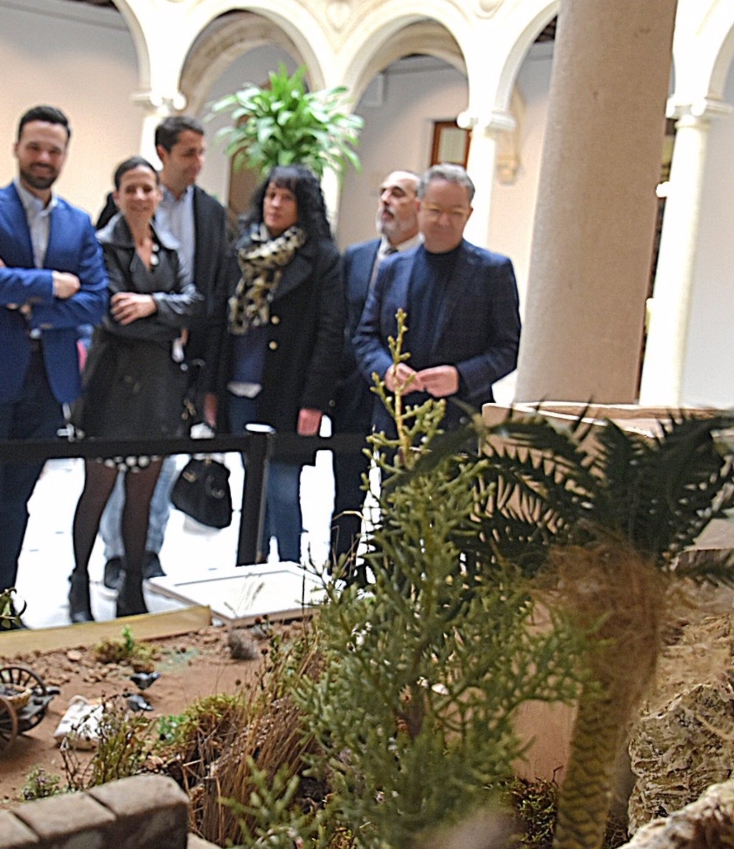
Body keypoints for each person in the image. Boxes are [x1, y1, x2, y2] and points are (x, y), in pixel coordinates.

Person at [0, 105, 107, 608]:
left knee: (18, 500)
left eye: (54, 150)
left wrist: (22, 299)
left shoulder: (78, 222)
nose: (44, 158)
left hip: (48, 380)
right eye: (35, 147)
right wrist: (50, 286)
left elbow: (94, 300)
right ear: (17, 147)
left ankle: (0, 603)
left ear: (64, 155)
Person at [94, 115, 233, 590]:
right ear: (163, 152)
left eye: (201, 153)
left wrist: (156, 309)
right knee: (117, 464)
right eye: (188, 153)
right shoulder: (117, 213)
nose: (198, 163)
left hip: (184, 361)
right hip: (124, 364)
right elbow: (110, 304)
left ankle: (148, 552)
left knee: (162, 460)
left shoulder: (212, 214)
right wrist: (165, 317)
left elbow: (204, 301)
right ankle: (115, 555)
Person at [68, 156, 200, 622]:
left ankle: (131, 586)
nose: (141, 196)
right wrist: (163, 318)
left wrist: (149, 305)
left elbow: (193, 305)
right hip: (110, 388)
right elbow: (110, 316)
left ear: (158, 194)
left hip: (159, 390)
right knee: (98, 491)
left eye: (148, 188)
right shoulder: (103, 245)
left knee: (144, 495)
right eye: (132, 188)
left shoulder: (171, 248)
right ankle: (80, 580)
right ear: (118, 194)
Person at [207, 164, 345, 563]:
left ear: (303, 207)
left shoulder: (320, 258)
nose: (276, 204)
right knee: (253, 489)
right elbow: (219, 321)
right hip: (238, 387)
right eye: (271, 195)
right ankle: (249, 571)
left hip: (288, 392)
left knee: (283, 490)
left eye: (287, 198)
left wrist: (314, 401)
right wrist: (211, 388)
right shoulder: (242, 250)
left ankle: (290, 580)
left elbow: (330, 332)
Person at [353, 163, 521, 438]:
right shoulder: (392, 268)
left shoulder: (493, 271)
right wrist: (386, 370)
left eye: (456, 213)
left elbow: (509, 348)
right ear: (419, 207)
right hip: (397, 421)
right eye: (435, 211)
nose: (444, 221)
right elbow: (366, 337)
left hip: (459, 424)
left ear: (469, 214)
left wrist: (461, 376)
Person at [329, 170, 421, 568]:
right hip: (352, 396)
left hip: (405, 400)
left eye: (397, 194)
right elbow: (341, 327)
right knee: (345, 491)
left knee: (395, 493)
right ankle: (340, 572)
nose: (385, 200)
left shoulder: (426, 263)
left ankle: (388, 573)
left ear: (419, 206)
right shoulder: (358, 256)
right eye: (382, 192)